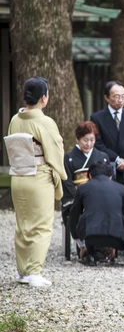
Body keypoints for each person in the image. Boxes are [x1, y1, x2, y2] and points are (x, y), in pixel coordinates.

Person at [4, 77, 67, 287]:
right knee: (41, 225)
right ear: (44, 97)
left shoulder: (15, 119)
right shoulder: (44, 122)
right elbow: (56, 151)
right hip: (38, 176)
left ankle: (23, 271)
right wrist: (60, 175)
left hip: (18, 175)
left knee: (23, 225)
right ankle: (34, 271)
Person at [69, 161, 124, 267]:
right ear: (111, 177)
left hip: (91, 235)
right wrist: (121, 237)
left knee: (89, 220)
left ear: (90, 176)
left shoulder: (83, 188)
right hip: (116, 234)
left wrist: (79, 241)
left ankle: (90, 255)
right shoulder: (121, 188)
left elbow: (74, 214)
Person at [91, 81, 124, 182]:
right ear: (106, 97)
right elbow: (98, 143)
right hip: (108, 164)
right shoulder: (97, 118)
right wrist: (117, 159)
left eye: (123, 96)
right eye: (117, 96)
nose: (120, 100)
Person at [62, 121, 110, 226]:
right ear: (77, 139)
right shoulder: (68, 158)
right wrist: (81, 198)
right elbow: (67, 181)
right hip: (76, 199)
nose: (89, 144)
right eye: (85, 140)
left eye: (92, 140)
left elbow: (109, 180)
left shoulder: (103, 157)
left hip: (99, 198)